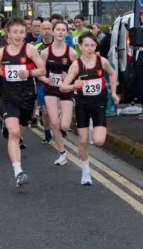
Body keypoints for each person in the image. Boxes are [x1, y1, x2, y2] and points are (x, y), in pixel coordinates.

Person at [0, 18, 45, 188]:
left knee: (19, 133)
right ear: (8, 34)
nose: (18, 35)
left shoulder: (30, 50)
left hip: (26, 97)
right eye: (15, 32)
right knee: (13, 133)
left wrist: (29, 72)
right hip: (9, 97)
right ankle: (18, 172)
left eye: (21, 32)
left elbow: (42, 69)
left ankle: (13, 133)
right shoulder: (2, 52)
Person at [60, 32, 120, 185]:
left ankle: (95, 126)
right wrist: (74, 85)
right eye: (86, 45)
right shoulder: (76, 65)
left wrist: (113, 93)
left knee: (99, 141)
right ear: (80, 47)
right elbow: (63, 87)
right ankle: (85, 171)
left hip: (99, 103)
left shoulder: (102, 61)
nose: (89, 48)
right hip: (83, 105)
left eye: (92, 45)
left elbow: (112, 74)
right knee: (84, 140)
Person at [38, 21, 77, 164]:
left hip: (65, 90)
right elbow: (39, 73)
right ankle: (62, 153)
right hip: (51, 90)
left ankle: (62, 116)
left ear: (67, 33)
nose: (61, 32)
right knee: (54, 122)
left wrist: (69, 77)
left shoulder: (72, 53)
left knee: (65, 126)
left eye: (63, 30)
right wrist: (47, 80)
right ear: (53, 32)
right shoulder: (45, 52)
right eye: (58, 29)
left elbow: (77, 73)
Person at [35, 20, 55, 143]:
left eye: (49, 29)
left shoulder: (59, 45)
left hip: (57, 82)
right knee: (46, 112)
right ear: (41, 31)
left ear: (52, 30)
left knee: (56, 111)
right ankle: (47, 132)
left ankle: (57, 128)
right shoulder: (35, 46)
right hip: (42, 82)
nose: (46, 31)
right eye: (44, 29)